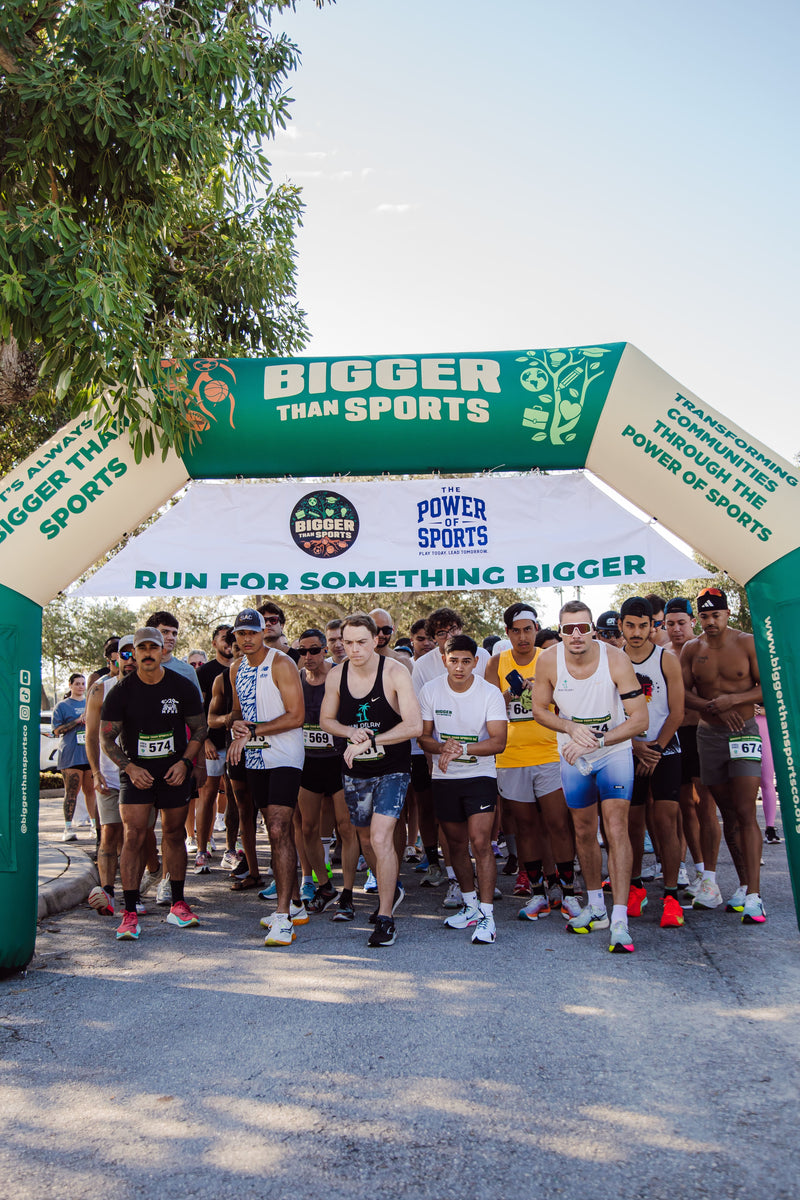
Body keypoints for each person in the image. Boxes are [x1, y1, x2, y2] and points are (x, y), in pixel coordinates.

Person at [532, 600, 649, 953]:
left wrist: (597, 738)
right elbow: (539, 709)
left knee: (615, 828)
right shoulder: (549, 660)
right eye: (568, 629)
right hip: (573, 754)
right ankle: (595, 905)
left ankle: (619, 919)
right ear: (560, 631)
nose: (577, 635)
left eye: (583, 627)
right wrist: (569, 726)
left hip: (612, 751)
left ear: (593, 629)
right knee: (583, 830)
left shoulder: (616, 660)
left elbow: (639, 719)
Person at [320, 612, 422, 948]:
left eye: (361, 641)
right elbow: (325, 720)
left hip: (393, 768)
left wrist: (372, 741)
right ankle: (391, 887)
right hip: (356, 773)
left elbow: (414, 726)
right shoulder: (337, 675)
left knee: (381, 838)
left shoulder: (395, 672)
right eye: (347, 642)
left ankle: (385, 918)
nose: (353, 648)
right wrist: (350, 732)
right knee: (365, 840)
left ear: (376, 638)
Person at [101, 627, 207, 940]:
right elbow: (106, 738)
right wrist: (129, 767)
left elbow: (199, 730)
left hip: (173, 770)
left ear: (163, 651)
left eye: (153, 647)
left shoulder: (182, 685)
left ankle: (178, 904)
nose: (147, 653)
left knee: (174, 834)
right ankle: (130, 912)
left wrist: (185, 763)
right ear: (133, 651)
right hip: (136, 772)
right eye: (141, 647)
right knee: (134, 836)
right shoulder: (121, 691)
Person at [486, 602, 581, 922]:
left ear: (536, 630)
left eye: (528, 629)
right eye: (516, 631)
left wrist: (540, 692)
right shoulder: (497, 663)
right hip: (511, 758)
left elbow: (570, 701)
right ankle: (539, 894)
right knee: (525, 828)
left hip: (551, 755)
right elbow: (483, 708)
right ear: (509, 633)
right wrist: (507, 697)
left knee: (558, 824)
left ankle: (568, 893)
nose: (523, 636)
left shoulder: (551, 659)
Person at [680, 588, 766, 924]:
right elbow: (683, 692)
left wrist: (734, 701)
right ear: (698, 617)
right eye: (704, 616)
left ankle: (756, 897)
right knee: (726, 812)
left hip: (743, 730)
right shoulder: (692, 648)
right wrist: (710, 706)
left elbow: (769, 686)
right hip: (709, 736)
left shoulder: (745, 643)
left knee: (746, 810)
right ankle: (743, 885)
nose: (711, 621)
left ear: (727, 614)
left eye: (716, 615)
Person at [418, 634, 507, 944]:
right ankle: (469, 906)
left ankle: (488, 915)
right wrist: (442, 746)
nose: (459, 667)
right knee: (454, 844)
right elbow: (423, 737)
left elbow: (499, 742)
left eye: (466, 661)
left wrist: (463, 750)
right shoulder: (430, 690)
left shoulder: (490, 693)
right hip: (444, 779)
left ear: (475, 662)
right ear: (444, 659)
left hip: (480, 775)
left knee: (480, 842)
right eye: (453, 660)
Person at [227, 608, 307, 947]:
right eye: (240, 633)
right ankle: (297, 904)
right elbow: (238, 710)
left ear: (264, 633)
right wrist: (236, 726)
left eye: (252, 632)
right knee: (272, 831)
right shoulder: (235, 668)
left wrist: (253, 731)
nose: (247, 639)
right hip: (255, 757)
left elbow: (297, 715)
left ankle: (282, 916)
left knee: (278, 828)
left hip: (285, 755)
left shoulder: (281, 663)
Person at [412, 607, 491, 888]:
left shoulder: (481, 657)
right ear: (434, 639)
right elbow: (424, 724)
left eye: (453, 629)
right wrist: (433, 756)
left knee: (480, 830)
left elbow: (492, 705)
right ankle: (454, 879)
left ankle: (483, 880)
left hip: (481, 759)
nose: (448, 636)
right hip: (438, 758)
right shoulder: (422, 666)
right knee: (448, 826)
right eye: (441, 633)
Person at [620, 597, 686, 929]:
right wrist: (634, 745)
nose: (636, 632)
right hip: (626, 751)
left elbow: (677, 712)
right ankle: (634, 888)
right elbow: (606, 714)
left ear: (652, 626)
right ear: (620, 625)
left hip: (664, 751)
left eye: (643, 625)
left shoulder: (666, 660)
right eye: (630, 625)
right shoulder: (611, 662)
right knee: (631, 824)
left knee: (666, 820)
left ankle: (672, 896)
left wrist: (655, 748)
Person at [296, 628, 360, 920]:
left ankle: (347, 893)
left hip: (338, 760)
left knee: (346, 828)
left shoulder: (339, 675)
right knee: (308, 828)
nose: (307, 657)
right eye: (302, 651)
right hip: (308, 761)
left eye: (313, 650)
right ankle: (324, 886)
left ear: (325, 649)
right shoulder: (297, 679)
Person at [85, 634, 144, 914]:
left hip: (141, 776)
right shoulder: (100, 690)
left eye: (136, 653)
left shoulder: (152, 686)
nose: (130, 660)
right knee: (109, 834)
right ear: (115, 658)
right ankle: (108, 892)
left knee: (137, 837)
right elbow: (91, 736)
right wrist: (96, 772)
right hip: (109, 776)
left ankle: (136, 892)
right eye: (125, 654)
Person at [664, 597, 716, 895]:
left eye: (682, 622)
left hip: (702, 733)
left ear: (692, 622)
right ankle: (697, 870)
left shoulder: (703, 651)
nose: (676, 629)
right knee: (684, 806)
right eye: (670, 624)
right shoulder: (662, 655)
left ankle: (709, 877)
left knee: (705, 805)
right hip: (675, 736)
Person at [193, 625, 234, 874]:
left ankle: (231, 849)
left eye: (233, 638)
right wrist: (204, 740)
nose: (229, 642)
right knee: (207, 795)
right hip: (212, 744)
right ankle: (201, 848)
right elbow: (198, 711)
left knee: (234, 797)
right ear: (213, 643)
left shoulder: (245, 667)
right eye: (224, 638)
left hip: (237, 744)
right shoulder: (206, 672)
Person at [52, 673, 97, 843]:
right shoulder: (62, 706)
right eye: (77, 683)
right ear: (70, 685)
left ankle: (94, 826)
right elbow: (56, 731)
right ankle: (68, 827)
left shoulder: (90, 703)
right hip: (71, 754)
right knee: (71, 792)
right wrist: (77, 721)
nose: (80, 686)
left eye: (83, 683)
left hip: (88, 754)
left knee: (91, 791)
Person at [369, 608, 413, 672]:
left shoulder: (402, 662)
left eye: (386, 630)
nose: (381, 635)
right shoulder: (355, 661)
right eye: (376, 629)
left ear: (393, 629)